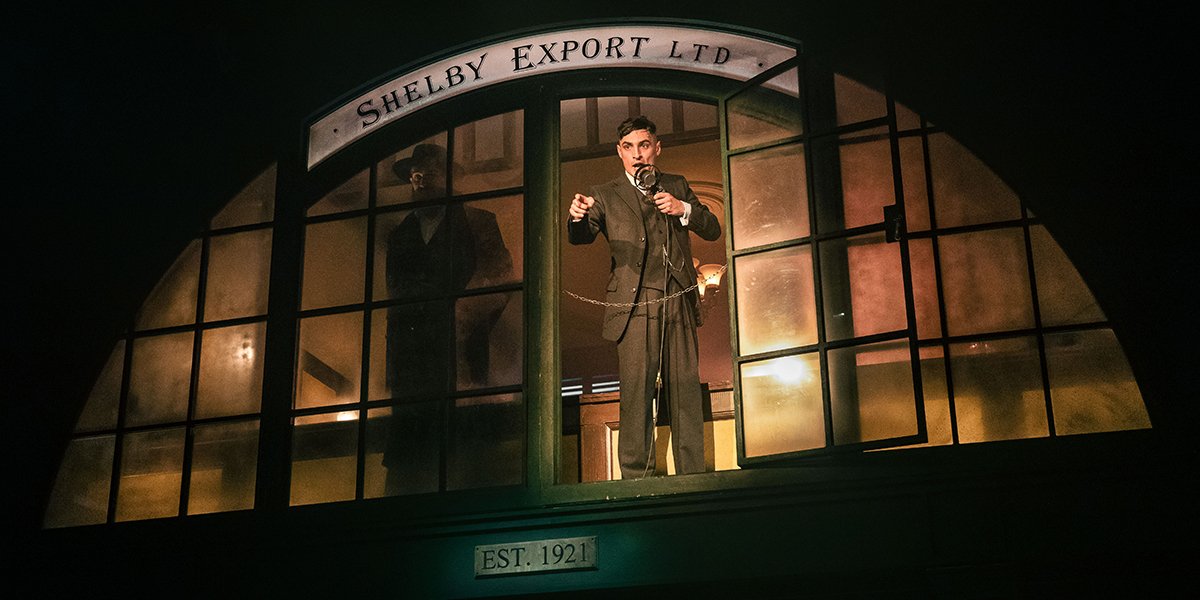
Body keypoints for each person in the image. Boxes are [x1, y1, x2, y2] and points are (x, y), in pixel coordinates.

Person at [567, 116, 721, 479]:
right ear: (619, 153)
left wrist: (683, 209)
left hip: (678, 297)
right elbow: (580, 236)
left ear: (657, 147)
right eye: (629, 147)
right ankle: (637, 478)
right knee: (636, 391)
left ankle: (692, 476)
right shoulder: (604, 193)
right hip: (634, 304)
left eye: (644, 145)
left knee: (684, 388)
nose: (637, 154)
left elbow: (712, 228)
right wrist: (577, 217)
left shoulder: (677, 184)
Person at [383, 142, 513, 494]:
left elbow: (499, 275)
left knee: (461, 459)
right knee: (411, 467)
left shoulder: (479, 223)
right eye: (416, 175)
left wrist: (463, 312)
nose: (422, 182)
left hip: (462, 361)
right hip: (411, 369)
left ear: (450, 178)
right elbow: (395, 300)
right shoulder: (399, 236)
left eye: (431, 173)